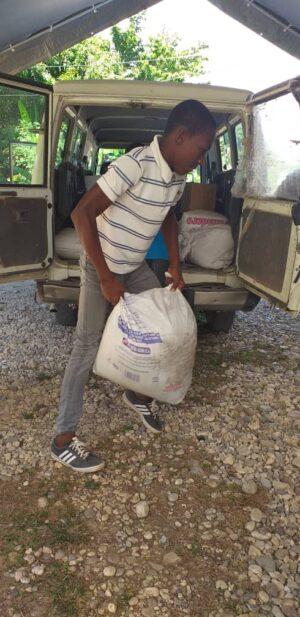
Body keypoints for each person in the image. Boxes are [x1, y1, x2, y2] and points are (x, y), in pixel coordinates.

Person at [50, 99, 216, 472]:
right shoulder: (136, 164)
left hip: (134, 265)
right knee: (85, 346)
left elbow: (168, 218)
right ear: (181, 136)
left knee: (159, 322)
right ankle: (62, 438)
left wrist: (174, 263)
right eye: (201, 150)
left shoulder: (176, 175)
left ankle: (137, 392)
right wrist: (107, 277)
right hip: (100, 267)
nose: (201, 160)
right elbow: (81, 214)